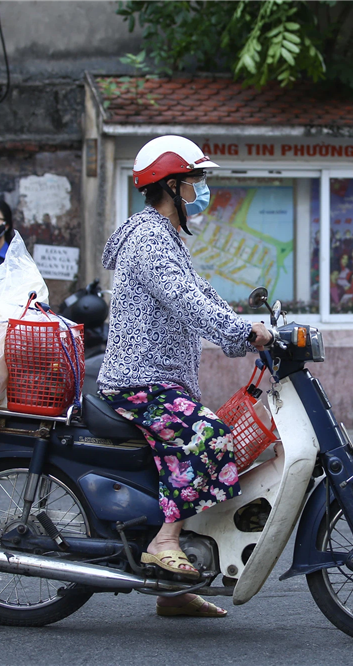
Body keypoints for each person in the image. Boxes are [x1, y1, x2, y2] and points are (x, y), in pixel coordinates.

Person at [97, 135, 273, 618]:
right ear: (172, 185)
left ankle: (172, 592)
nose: (203, 189)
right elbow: (185, 301)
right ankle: (165, 542)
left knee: (207, 443)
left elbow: (204, 295)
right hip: (139, 380)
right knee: (207, 436)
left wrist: (253, 331)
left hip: (161, 379)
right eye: (197, 180)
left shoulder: (167, 236)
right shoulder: (149, 239)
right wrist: (242, 332)